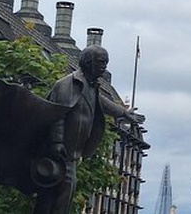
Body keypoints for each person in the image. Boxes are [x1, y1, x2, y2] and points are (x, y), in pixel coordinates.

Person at [33, 45, 142, 214]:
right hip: (60, 152)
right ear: (88, 62)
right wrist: (56, 142)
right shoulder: (69, 84)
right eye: (101, 62)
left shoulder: (91, 87)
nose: (104, 66)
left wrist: (124, 113)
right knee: (58, 194)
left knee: (63, 194)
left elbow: (105, 103)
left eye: (106, 62)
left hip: (72, 155)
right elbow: (57, 114)